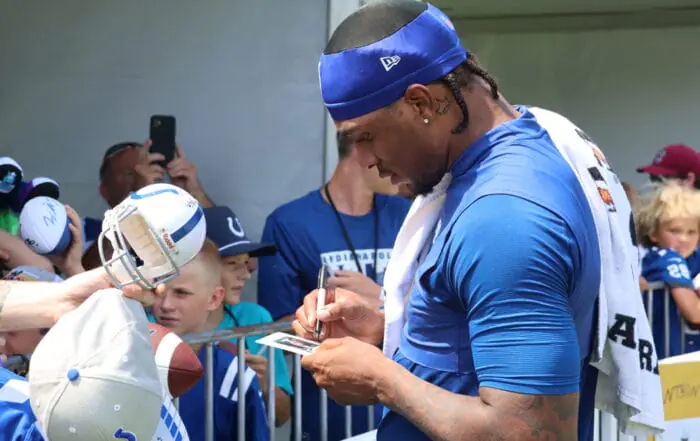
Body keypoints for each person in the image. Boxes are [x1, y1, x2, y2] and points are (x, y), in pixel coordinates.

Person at [288, 2, 648, 440]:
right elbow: (473, 348)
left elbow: (533, 432)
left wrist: (383, 379)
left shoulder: (504, 217)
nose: (362, 160)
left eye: (364, 136)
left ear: (422, 101)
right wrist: (387, 333)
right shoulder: (508, 156)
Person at [258, 122, 410, 440]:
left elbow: (439, 302)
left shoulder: (408, 211)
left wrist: (379, 298)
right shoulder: (289, 221)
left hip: (403, 408)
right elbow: (277, 320)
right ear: (362, 148)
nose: (403, 165)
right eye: (395, 147)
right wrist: (322, 314)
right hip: (327, 414)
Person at [151, 240, 270, 441]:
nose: (166, 305)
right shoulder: (126, 360)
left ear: (215, 298)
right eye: (158, 291)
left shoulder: (233, 376)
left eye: (181, 293)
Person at [202, 206, 293, 427]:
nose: (245, 275)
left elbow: (282, 416)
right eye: (232, 264)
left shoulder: (256, 318)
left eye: (245, 263)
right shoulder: (164, 316)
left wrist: (264, 385)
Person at [635, 182, 700, 357]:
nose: (684, 239)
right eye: (674, 231)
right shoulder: (665, 257)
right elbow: (695, 314)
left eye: (691, 232)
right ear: (653, 232)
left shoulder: (692, 255)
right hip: (665, 358)